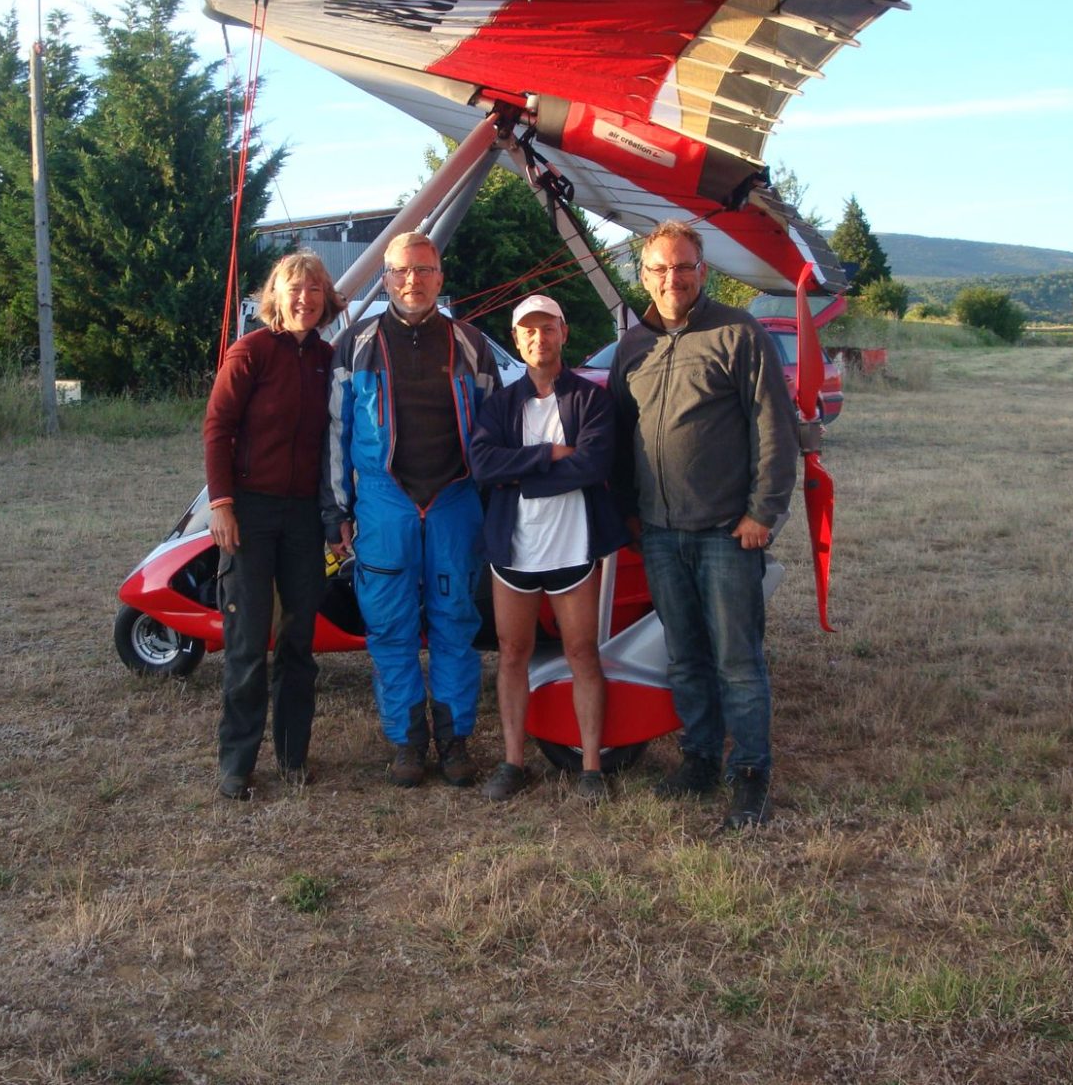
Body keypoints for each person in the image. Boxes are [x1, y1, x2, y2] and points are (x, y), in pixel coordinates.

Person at [609, 220, 800, 829]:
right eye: (660, 269)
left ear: (702, 270)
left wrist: (761, 513)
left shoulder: (738, 334)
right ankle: (697, 760)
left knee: (737, 660)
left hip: (725, 530)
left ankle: (750, 774)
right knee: (685, 657)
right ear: (643, 275)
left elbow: (776, 428)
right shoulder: (632, 347)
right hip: (661, 533)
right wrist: (628, 515)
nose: (672, 278)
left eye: (683, 266)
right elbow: (617, 437)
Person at [321, 231, 502, 788]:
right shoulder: (355, 345)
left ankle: (453, 740)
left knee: (456, 627)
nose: (411, 282)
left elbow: (497, 433)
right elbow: (334, 433)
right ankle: (406, 743)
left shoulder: (472, 344)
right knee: (391, 630)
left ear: (440, 278)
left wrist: (494, 507)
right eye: (400, 271)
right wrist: (336, 509)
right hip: (382, 504)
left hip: (455, 502)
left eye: (423, 271)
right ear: (385, 278)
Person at [469, 294, 629, 803]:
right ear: (517, 340)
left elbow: (594, 465)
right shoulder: (499, 404)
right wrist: (545, 455)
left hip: (573, 547)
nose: (540, 338)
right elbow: (481, 464)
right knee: (512, 653)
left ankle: (590, 767)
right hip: (513, 551)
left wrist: (520, 475)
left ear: (564, 333)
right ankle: (513, 761)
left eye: (549, 328)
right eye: (529, 331)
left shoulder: (591, 399)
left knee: (582, 652)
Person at [203, 251, 345, 800]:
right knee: (246, 642)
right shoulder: (251, 352)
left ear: (325, 299)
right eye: (295, 289)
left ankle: (293, 756)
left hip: (305, 516)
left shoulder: (330, 360)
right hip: (251, 514)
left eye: (314, 290)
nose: (305, 299)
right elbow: (218, 428)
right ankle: (237, 764)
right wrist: (222, 504)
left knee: (298, 641)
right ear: (276, 297)